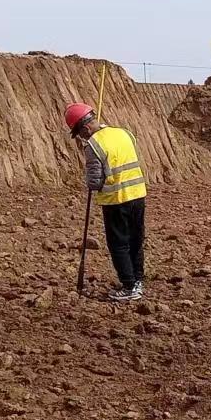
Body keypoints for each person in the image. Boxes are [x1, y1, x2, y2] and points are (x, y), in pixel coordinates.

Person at [65, 102, 147, 301]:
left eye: (79, 133)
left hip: (116, 199)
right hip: (138, 194)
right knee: (136, 240)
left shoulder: (93, 145)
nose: (81, 138)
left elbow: (95, 181)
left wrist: (90, 183)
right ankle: (137, 280)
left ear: (85, 128)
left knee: (118, 244)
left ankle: (129, 287)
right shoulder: (124, 133)